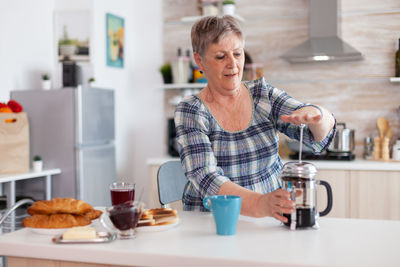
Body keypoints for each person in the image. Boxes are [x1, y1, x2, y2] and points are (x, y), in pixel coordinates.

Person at [174, 15, 336, 223]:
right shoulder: (191, 111)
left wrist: (318, 115)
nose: (233, 64)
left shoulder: (263, 95)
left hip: (269, 220)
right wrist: (260, 204)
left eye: (237, 54)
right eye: (221, 56)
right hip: (212, 222)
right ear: (199, 61)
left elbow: (317, 134)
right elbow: (206, 178)